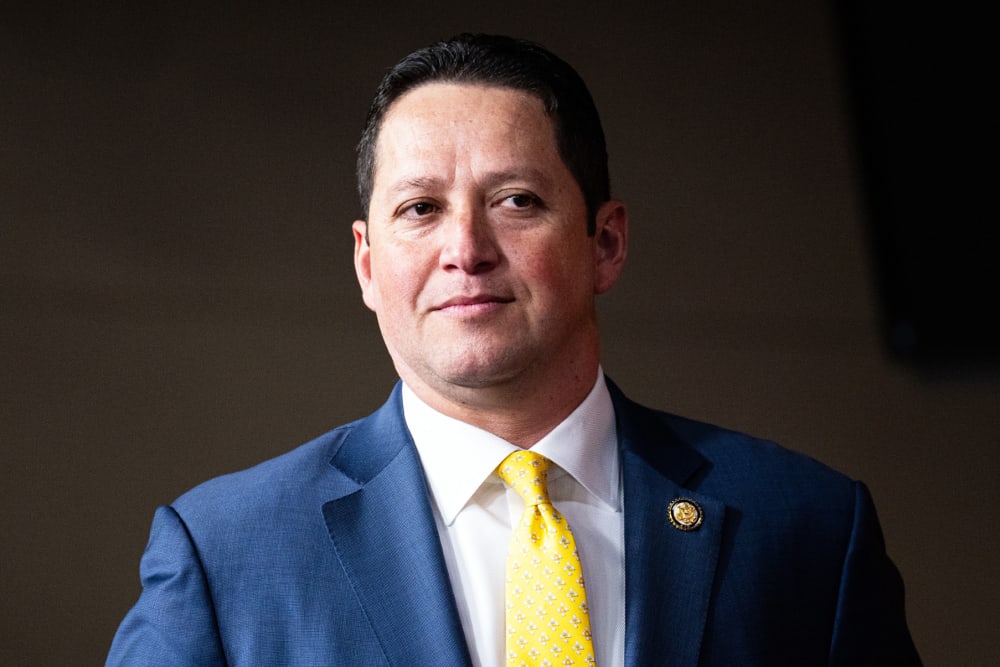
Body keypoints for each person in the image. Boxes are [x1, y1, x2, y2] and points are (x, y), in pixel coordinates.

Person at [106, 33, 921, 666]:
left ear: (605, 242)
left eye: (516, 200)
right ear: (366, 263)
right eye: (420, 208)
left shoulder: (809, 529)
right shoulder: (226, 556)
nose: (466, 246)